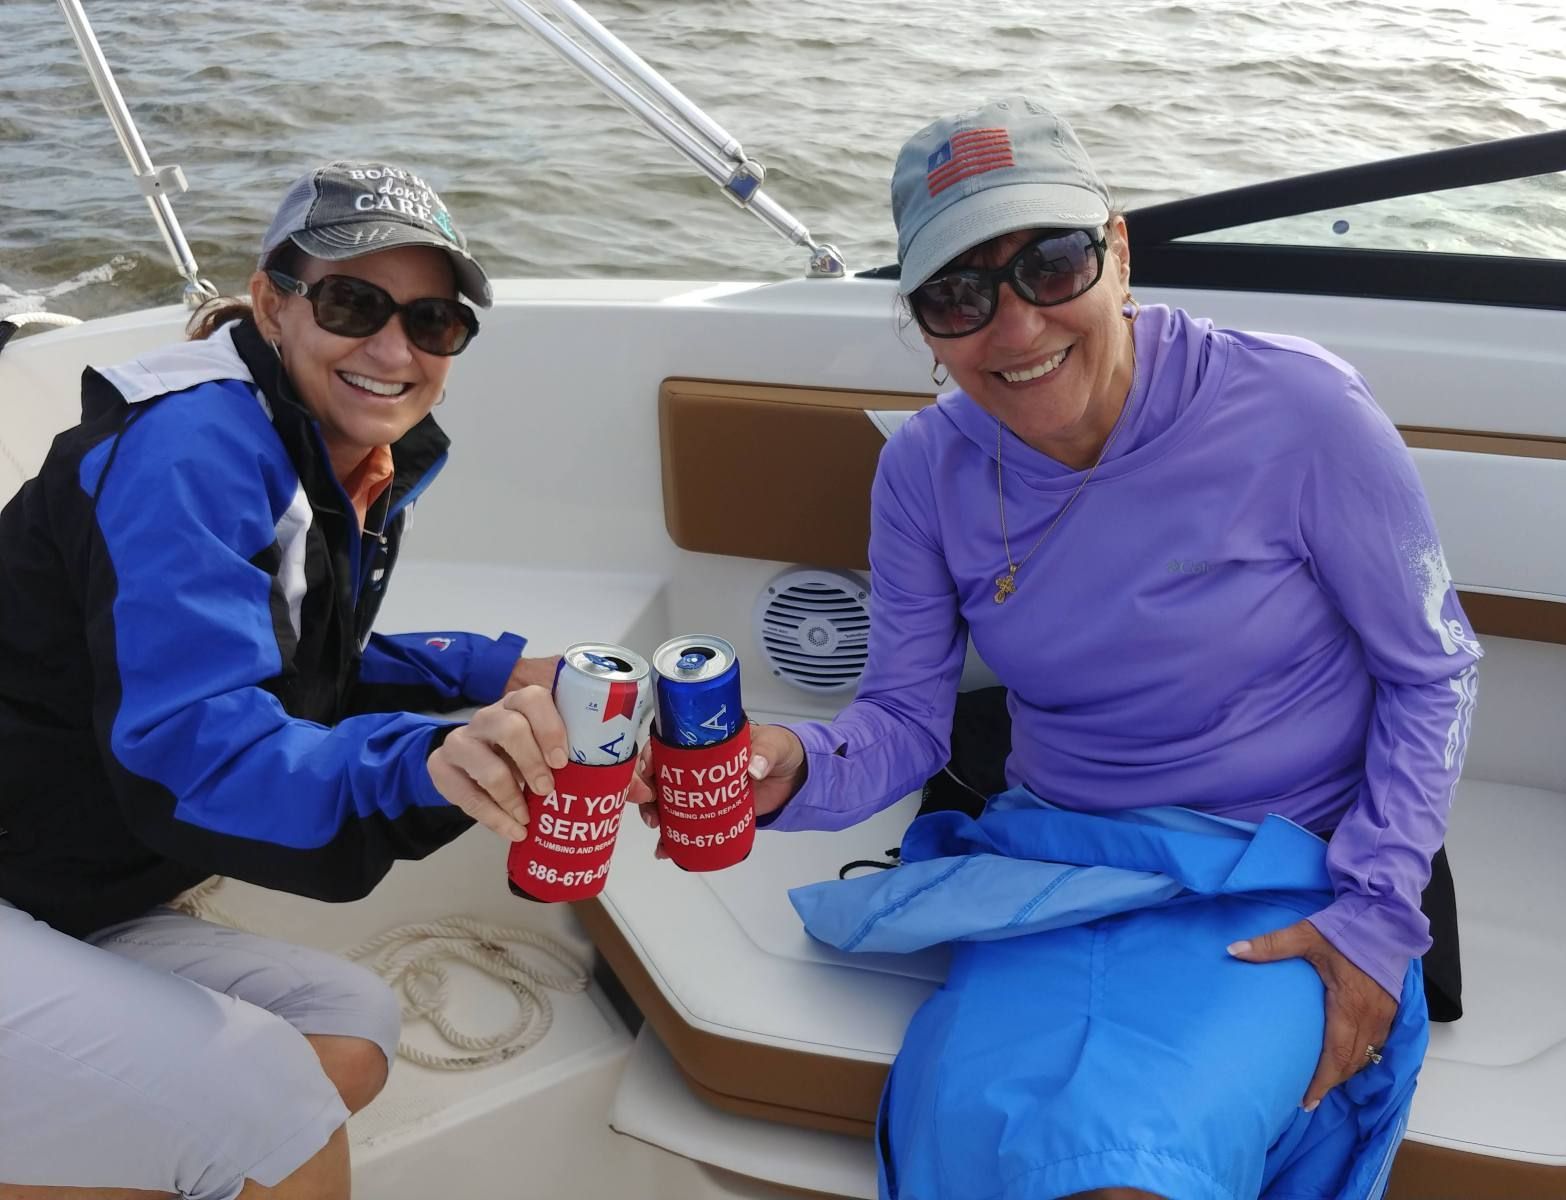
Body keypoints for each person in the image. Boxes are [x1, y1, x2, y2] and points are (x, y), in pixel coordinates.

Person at [641, 98, 1481, 1200]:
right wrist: (790, 766)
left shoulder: (1299, 407)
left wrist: (1374, 916)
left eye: (1050, 264)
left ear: (1118, 252)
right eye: (957, 294)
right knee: (988, 1147)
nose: (1016, 327)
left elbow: (1434, 671)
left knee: (1123, 1173)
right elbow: (904, 724)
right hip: (1050, 871)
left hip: (1284, 868)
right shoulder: (923, 471)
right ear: (923, 324)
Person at [0, 161, 616, 1200]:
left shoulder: (329, 451)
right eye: (352, 304)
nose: (395, 350)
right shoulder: (188, 450)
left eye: (433, 320)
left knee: (348, 1032)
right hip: (34, 869)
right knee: (276, 1113)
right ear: (272, 302)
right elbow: (198, 754)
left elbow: (286, 661)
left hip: (59, 875)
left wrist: (490, 670)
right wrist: (433, 763)